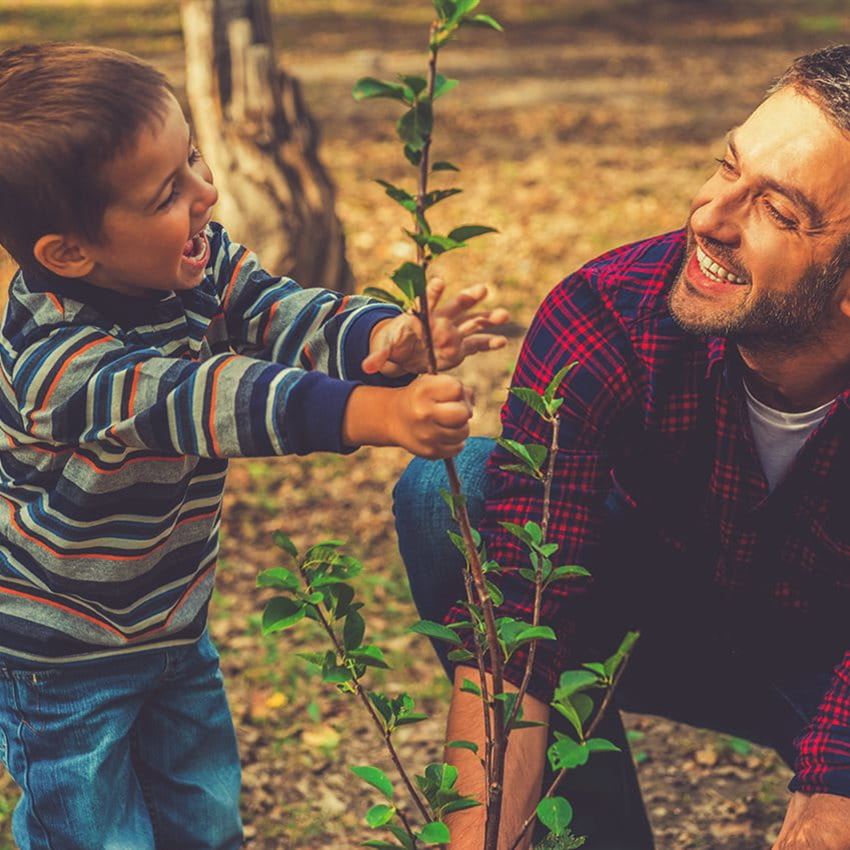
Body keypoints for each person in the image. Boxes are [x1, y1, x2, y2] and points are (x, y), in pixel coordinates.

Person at [0, 42, 508, 850]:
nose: (206, 192)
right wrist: (378, 413)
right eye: (168, 191)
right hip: (62, 658)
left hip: (171, 624)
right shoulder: (59, 363)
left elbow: (280, 315)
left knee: (204, 818)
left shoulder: (194, 266)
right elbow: (212, 398)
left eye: (195, 157)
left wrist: (386, 337)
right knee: (96, 836)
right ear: (69, 252)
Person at [395, 44, 850, 850]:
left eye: (777, 211)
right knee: (449, 492)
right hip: (670, 617)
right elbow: (521, 617)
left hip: (826, 659)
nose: (709, 216)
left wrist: (831, 793)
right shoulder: (610, 311)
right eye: (727, 166)